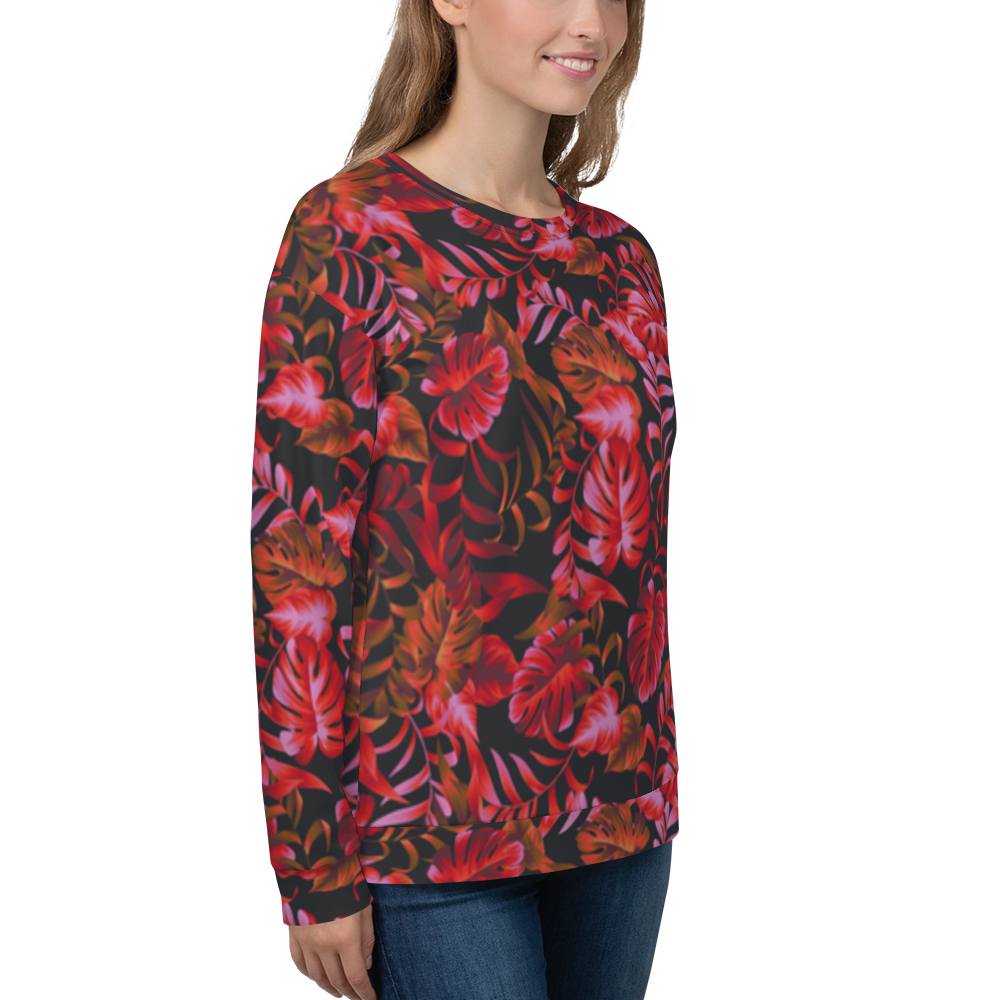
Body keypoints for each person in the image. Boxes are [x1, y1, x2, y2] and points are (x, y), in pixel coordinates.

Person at [254, 2, 677, 998]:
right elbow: (298, 566)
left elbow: (639, 560)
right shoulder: (351, 233)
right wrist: (310, 859)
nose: (590, 22)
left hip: (625, 815)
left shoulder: (621, 262)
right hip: (431, 829)